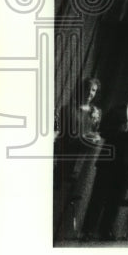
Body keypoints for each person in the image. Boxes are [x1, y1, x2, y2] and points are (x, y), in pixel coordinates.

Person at [82, 83, 128, 241]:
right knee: (98, 196)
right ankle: (88, 230)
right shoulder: (116, 109)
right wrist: (119, 129)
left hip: (127, 162)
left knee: (115, 197)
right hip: (108, 159)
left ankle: (105, 231)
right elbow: (102, 130)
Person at [54, 77, 103, 238]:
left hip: (84, 162)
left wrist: (95, 136)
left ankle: (66, 233)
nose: (91, 93)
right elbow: (64, 135)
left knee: (75, 196)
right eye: (88, 88)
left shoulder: (96, 112)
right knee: (59, 195)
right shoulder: (68, 109)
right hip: (66, 157)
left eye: (94, 90)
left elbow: (95, 133)